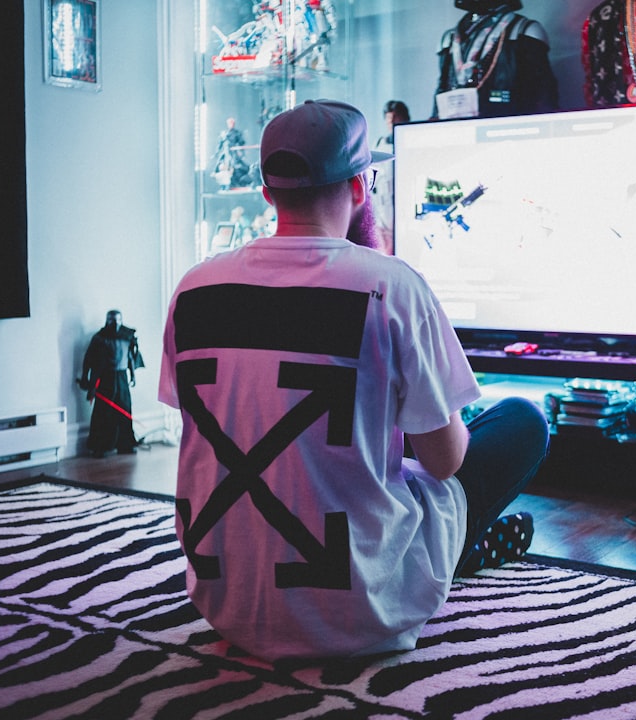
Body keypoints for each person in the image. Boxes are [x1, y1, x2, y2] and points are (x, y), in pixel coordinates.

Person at [159, 99, 550, 662]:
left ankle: (464, 546)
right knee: (521, 421)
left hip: (226, 603)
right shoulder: (389, 285)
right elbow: (444, 463)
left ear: (267, 193)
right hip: (362, 607)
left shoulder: (194, 287)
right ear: (361, 187)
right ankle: (460, 551)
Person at [433, 0, 558, 119]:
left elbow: (543, 95)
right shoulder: (450, 39)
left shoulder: (525, 31)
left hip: (509, 127)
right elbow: (441, 89)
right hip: (457, 128)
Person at [78, 310, 145, 458]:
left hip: (122, 377)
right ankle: (100, 446)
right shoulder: (99, 338)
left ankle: (125, 444)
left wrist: (133, 375)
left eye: (118, 320)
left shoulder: (127, 337)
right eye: (112, 320)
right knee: (103, 411)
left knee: (125, 409)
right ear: (107, 321)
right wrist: (86, 378)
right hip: (106, 377)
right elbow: (89, 359)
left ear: (121, 320)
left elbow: (129, 357)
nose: (115, 324)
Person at [372, 100, 409, 253]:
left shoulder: (408, 141)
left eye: (395, 117)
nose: (391, 122)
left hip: (402, 211)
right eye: (388, 118)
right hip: (382, 211)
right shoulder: (379, 144)